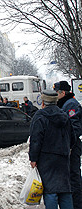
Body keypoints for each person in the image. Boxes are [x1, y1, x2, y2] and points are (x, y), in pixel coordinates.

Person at [29, 90, 76, 208]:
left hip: (46, 159)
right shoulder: (64, 115)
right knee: (65, 189)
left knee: (50, 190)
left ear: (43, 102)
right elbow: (73, 138)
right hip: (63, 158)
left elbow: (35, 140)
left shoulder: (39, 116)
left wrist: (33, 158)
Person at [54, 81, 82, 209]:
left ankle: (77, 205)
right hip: (68, 146)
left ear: (62, 93)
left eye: (57, 92)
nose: (55, 95)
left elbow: (75, 128)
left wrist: (69, 146)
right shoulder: (65, 103)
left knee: (74, 177)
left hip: (72, 146)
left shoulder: (70, 104)